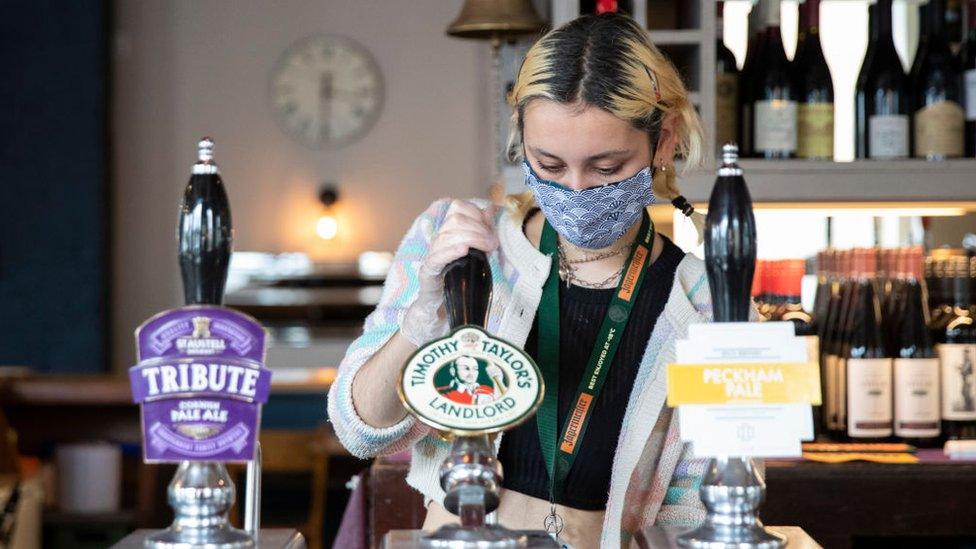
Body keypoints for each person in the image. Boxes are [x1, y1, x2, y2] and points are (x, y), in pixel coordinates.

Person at [329, 12, 715, 548]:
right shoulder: (459, 239)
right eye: (549, 164)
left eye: (606, 167)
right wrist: (423, 315)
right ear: (523, 142)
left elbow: (691, 514)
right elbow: (361, 430)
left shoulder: (700, 302)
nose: (576, 189)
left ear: (663, 142)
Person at [436, 356, 505, 405]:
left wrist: (498, 380)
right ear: (453, 371)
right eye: (466, 368)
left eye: (475, 369)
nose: (471, 373)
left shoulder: (487, 390)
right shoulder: (442, 393)